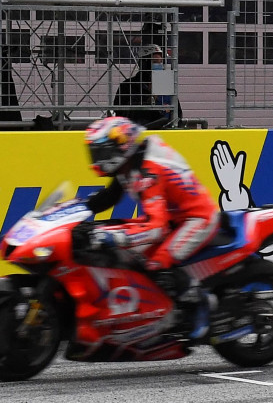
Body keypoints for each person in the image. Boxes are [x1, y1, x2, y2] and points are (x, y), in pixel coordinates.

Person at [80, 116, 221, 339]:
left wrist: (114, 238)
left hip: (195, 218)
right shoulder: (130, 163)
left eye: (102, 152)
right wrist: (75, 211)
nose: (98, 158)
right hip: (173, 217)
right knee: (124, 243)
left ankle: (200, 305)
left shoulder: (148, 171)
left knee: (158, 261)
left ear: (121, 145)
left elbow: (156, 228)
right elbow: (109, 197)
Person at [112, 44, 181, 129]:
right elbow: (120, 115)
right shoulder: (128, 86)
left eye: (160, 62)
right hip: (137, 132)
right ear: (145, 63)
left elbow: (177, 114)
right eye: (155, 62)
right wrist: (148, 100)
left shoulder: (165, 84)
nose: (159, 65)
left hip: (163, 132)